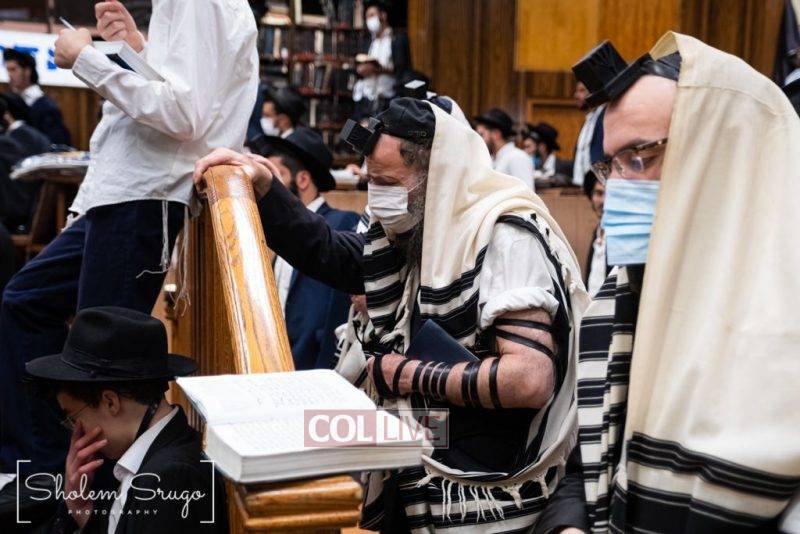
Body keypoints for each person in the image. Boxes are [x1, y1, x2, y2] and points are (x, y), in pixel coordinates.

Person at [196, 97, 588, 532]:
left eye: (388, 183)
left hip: (487, 483)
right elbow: (333, 251)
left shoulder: (505, 235)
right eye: (372, 182)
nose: (377, 198)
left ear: (437, 176)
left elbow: (529, 380)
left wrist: (406, 374)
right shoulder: (412, 229)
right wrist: (267, 188)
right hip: (418, 453)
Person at [537, 32, 800, 533]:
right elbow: (583, 465)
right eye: (610, 166)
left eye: (642, 157)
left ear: (729, 153)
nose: (617, 188)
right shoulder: (618, 299)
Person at [0, 0, 258, 478]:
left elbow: (183, 114)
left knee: (99, 364)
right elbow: (183, 91)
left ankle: (80, 490)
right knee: (26, 302)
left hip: (146, 192)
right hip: (127, 191)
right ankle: (45, 472)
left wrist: (87, 59)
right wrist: (136, 51)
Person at [23, 307, 226, 533]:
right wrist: (81, 509)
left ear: (110, 402)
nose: (75, 430)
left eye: (73, 416)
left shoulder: (168, 478)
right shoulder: (158, 458)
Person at [260, 127, 359, 370]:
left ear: (303, 179)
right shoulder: (282, 230)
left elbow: (331, 310)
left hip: (315, 365)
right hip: (281, 361)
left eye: (279, 175)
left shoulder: (341, 221)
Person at [352, 0, 411, 119]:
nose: (369, 20)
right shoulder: (368, 41)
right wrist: (360, 70)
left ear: (383, 15)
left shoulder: (397, 39)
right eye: (367, 17)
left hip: (388, 99)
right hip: (366, 99)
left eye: (372, 15)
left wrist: (378, 69)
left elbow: (402, 70)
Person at [3, 48, 72, 146]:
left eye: (13, 69)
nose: (9, 75)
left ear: (27, 71)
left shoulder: (47, 107)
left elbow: (57, 143)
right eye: (8, 70)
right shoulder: (7, 101)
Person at [474, 107, 534, 189]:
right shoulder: (493, 158)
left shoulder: (517, 157)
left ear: (496, 134)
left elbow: (527, 195)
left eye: (481, 135)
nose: (479, 140)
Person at [571, 82, 605, 187]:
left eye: (582, 90)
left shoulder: (604, 118)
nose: (576, 95)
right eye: (576, 91)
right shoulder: (587, 121)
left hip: (599, 185)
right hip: (582, 186)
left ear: (593, 93)